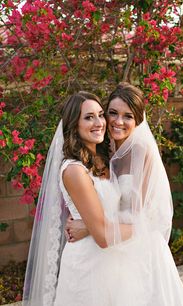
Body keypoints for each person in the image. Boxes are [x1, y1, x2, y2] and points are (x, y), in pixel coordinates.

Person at [66, 82, 183, 305]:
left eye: (128, 116)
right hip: (112, 252)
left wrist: (87, 227)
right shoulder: (104, 149)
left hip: (140, 249)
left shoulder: (142, 152)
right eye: (113, 113)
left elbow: (139, 216)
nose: (118, 122)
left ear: (138, 121)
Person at [22, 91, 134, 306]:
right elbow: (102, 236)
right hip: (88, 266)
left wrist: (87, 226)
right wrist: (145, 227)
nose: (99, 122)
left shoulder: (104, 158)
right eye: (88, 117)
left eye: (100, 115)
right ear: (74, 125)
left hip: (114, 262)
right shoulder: (74, 170)